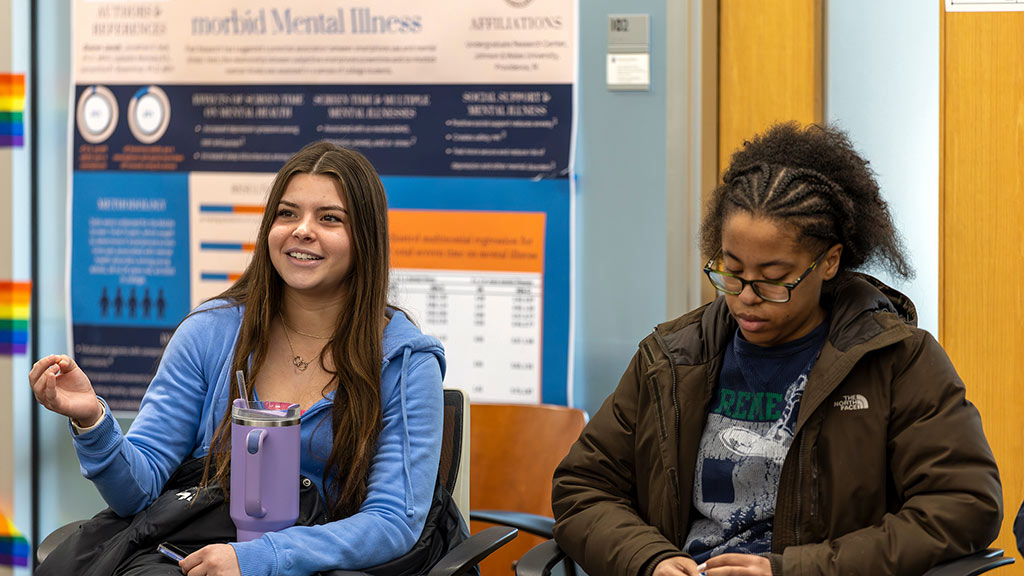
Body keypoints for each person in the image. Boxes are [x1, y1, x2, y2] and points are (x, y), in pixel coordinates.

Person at [551, 122, 1002, 576]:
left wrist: (793, 571)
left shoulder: (897, 361)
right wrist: (650, 559)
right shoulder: (671, 359)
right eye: (732, 272)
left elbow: (964, 505)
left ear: (829, 262)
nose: (746, 297)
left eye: (773, 279)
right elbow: (584, 486)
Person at [29, 141, 446, 576]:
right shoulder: (210, 331)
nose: (302, 230)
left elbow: (392, 522)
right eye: (287, 213)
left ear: (365, 238)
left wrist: (260, 558)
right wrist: (92, 420)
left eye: (329, 218)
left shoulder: (406, 362)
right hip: (199, 554)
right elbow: (138, 491)